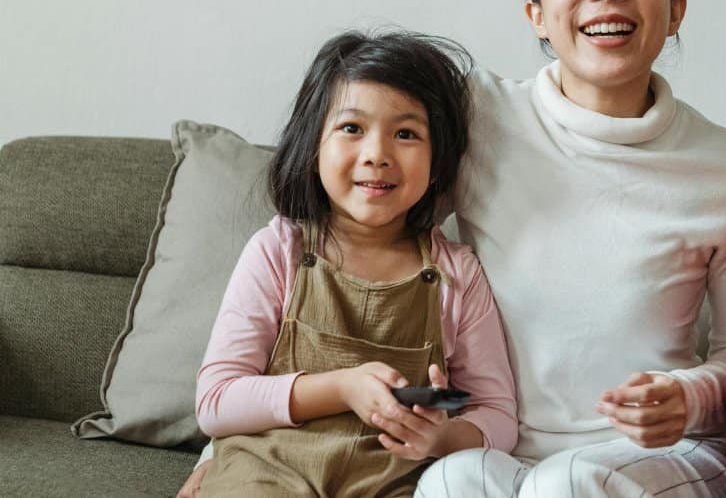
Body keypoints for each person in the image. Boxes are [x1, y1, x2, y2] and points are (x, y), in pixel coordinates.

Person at [182, 0, 726, 498]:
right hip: (501, 447)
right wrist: (230, 450)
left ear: (675, 11)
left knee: (567, 485)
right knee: (452, 481)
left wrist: (687, 396)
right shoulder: (478, 114)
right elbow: (359, 239)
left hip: (662, 452)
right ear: (535, 13)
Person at [193, 31, 517, 497]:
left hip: (395, 479)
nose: (377, 155)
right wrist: (343, 388)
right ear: (313, 144)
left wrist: (443, 436)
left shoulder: (458, 274)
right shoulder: (277, 251)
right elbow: (217, 400)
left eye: (406, 134)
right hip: (265, 473)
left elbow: (497, 414)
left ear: (439, 157)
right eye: (352, 128)